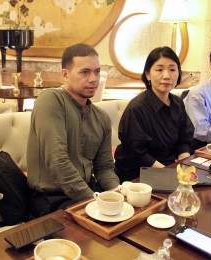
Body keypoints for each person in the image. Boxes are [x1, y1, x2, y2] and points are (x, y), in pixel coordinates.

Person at [27, 43, 120, 217]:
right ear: (65, 74)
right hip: (51, 198)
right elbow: (57, 161)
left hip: (87, 190)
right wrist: (92, 201)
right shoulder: (50, 100)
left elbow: (104, 167)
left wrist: (117, 192)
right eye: (85, 72)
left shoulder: (101, 118)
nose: (93, 79)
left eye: (97, 72)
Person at [114, 47, 194, 182]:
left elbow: (184, 138)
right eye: (159, 69)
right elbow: (137, 154)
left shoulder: (178, 103)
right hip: (138, 174)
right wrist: (168, 174)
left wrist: (184, 163)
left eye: (172, 69)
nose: (167, 76)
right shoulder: (137, 108)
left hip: (169, 167)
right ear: (148, 74)